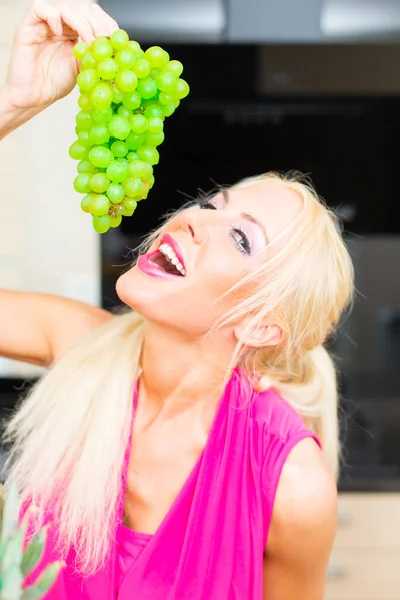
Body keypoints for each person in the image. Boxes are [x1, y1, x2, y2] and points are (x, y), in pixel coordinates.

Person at [0, 2, 355, 599]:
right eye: (211, 205)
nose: (192, 220)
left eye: (242, 238)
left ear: (264, 325)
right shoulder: (80, 348)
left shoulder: (292, 485)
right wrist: (14, 104)